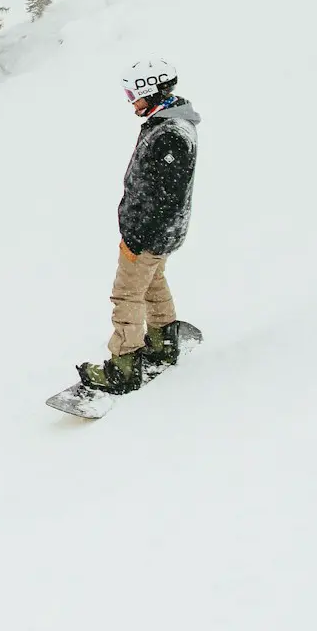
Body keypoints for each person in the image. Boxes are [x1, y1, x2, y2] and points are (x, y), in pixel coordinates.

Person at [77, 60, 200, 394]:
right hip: (161, 232)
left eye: (133, 93)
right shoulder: (168, 123)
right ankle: (162, 342)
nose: (130, 100)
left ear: (151, 90)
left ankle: (124, 366)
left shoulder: (171, 134)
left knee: (126, 294)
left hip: (149, 232)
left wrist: (136, 238)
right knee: (152, 282)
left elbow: (165, 198)